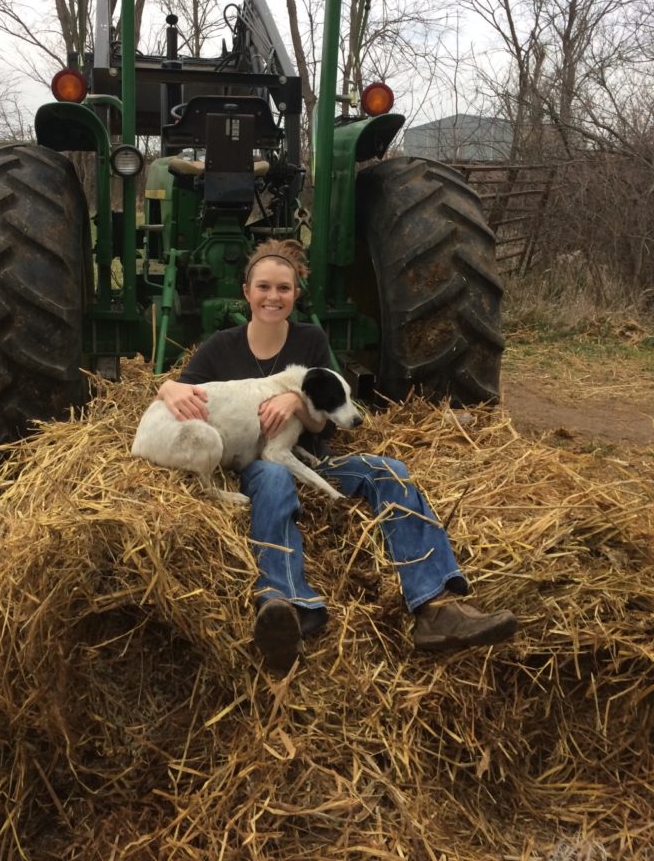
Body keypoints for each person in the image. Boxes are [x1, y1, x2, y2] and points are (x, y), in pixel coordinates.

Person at [156, 239, 517, 673]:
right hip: (250, 464)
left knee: (390, 471)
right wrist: (168, 387)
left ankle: (435, 605)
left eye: (284, 289)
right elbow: (183, 392)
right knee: (273, 478)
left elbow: (330, 419)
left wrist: (297, 405)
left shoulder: (310, 340)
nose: (274, 297)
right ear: (247, 291)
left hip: (314, 458)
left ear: (296, 294)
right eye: (264, 287)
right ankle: (284, 604)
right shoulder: (221, 346)